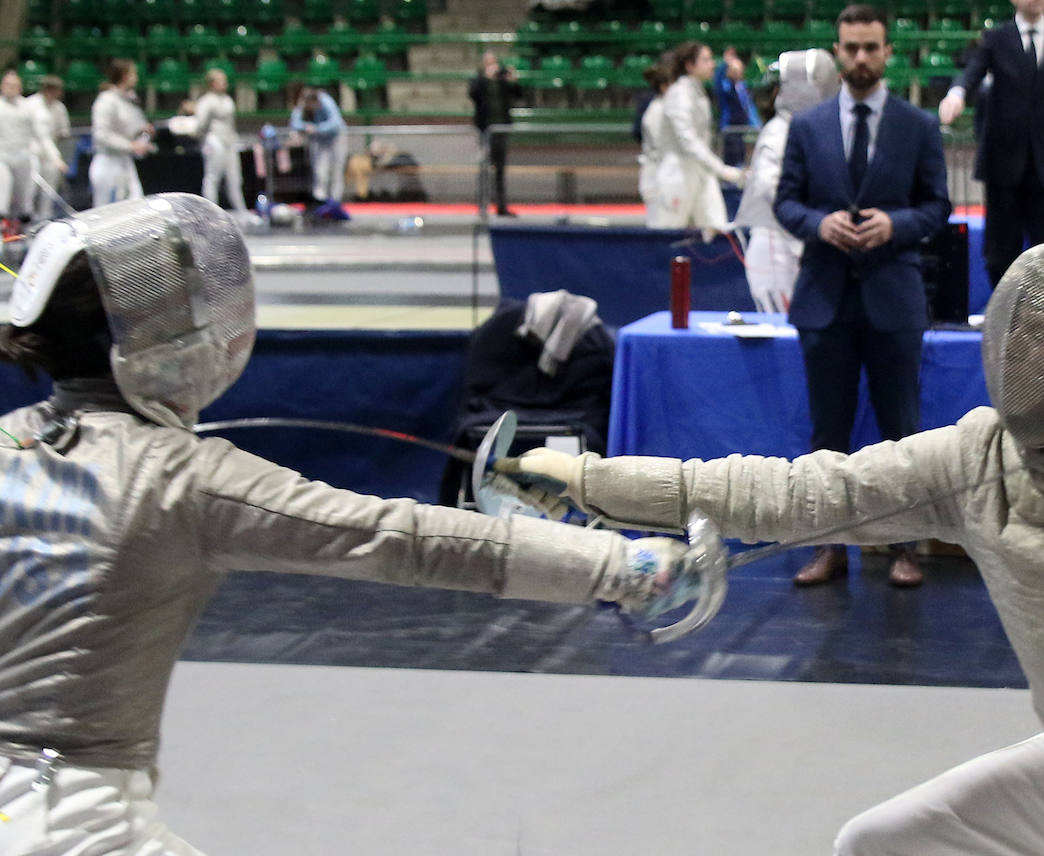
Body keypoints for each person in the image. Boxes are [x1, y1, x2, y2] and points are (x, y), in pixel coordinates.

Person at [512, 239, 1044, 856]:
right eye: (1022, 333)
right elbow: (787, 491)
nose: (1023, 356)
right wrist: (587, 478)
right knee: (880, 843)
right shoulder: (976, 459)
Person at [0, 192, 700, 854]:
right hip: (67, 822)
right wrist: (622, 567)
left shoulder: (14, 439)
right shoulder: (179, 478)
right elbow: (401, 539)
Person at [774, 4, 951, 587]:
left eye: (870, 48)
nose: (860, 59)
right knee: (828, 433)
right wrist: (819, 224)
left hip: (893, 297)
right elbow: (786, 203)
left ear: (887, 51)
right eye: (850, 48)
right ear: (837, 50)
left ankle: (904, 547)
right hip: (825, 299)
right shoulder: (806, 126)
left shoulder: (919, 126)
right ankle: (829, 547)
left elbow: (937, 207)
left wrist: (895, 226)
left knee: (902, 431)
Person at [938, 0, 1044, 290]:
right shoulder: (996, 39)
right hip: (1003, 164)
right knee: (999, 253)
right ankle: (1002, 319)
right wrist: (957, 94)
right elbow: (973, 71)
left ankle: (1043, 321)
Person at [733, 48, 841, 314]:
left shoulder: (812, 130)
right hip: (776, 249)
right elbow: (772, 187)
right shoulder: (779, 132)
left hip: (798, 247)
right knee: (786, 333)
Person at [652, 41, 746, 230]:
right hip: (677, 176)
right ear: (689, 65)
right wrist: (721, 169)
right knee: (668, 237)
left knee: (718, 230)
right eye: (706, 59)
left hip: (701, 174)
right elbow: (687, 140)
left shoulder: (697, 92)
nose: (712, 64)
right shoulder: (679, 94)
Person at [89, 58, 153, 208]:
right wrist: (131, 145)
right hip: (108, 164)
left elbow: (128, 127)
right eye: (133, 73)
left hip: (125, 163)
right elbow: (101, 135)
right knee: (106, 215)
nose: (136, 77)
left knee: (136, 207)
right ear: (124, 76)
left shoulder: (128, 99)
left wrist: (141, 130)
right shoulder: (106, 100)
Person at [468, 50, 524, 217]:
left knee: (500, 169)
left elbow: (518, 95)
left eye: (494, 62)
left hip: (501, 129)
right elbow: (473, 94)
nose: (493, 65)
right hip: (486, 131)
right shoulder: (478, 80)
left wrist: (513, 81)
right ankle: (483, 205)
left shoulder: (502, 82)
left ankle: (501, 206)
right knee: (484, 168)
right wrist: (486, 77)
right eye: (489, 62)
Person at [191, 68, 248, 214]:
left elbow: (231, 123)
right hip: (214, 141)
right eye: (221, 80)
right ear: (212, 83)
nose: (225, 83)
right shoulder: (206, 101)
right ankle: (211, 213)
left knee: (235, 179)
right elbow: (200, 125)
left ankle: (242, 212)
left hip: (229, 141)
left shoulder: (227, 99)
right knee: (213, 177)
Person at [288, 84, 348, 218]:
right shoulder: (302, 105)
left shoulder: (326, 101)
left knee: (336, 170)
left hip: (336, 138)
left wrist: (317, 128)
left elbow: (336, 124)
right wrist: (306, 127)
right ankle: (319, 201)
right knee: (319, 171)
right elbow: (295, 123)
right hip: (319, 140)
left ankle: (335, 203)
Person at [24, 75, 70, 221]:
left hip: (50, 154)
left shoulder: (59, 107)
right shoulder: (30, 104)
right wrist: (56, 158)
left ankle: (44, 219)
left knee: (49, 188)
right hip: (32, 152)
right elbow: (41, 135)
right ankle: (27, 220)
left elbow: (63, 131)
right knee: (30, 189)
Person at [0, 70, 39, 230]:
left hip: (23, 156)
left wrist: (51, 156)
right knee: (3, 188)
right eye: (8, 85)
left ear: (20, 87)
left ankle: (25, 231)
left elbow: (38, 134)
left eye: (14, 85)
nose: (11, 88)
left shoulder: (27, 107)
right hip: (2, 156)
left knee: (24, 199)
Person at [713, 46, 761, 168]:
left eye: (739, 70)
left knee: (742, 157)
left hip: (742, 128)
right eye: (734, 70)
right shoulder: (726, 87)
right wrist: (725, 63)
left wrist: (756, 123)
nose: (737, 72)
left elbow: (749, 107)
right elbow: (718, 81)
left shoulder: (742, 87)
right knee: (731, 159)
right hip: (730, 128)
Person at [636, 61, 671, 224]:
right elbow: (662, 148)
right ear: (664, 87)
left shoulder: (666, 107)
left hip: (663, 177)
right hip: (657, 177)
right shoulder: (657, 111)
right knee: (659, 226)